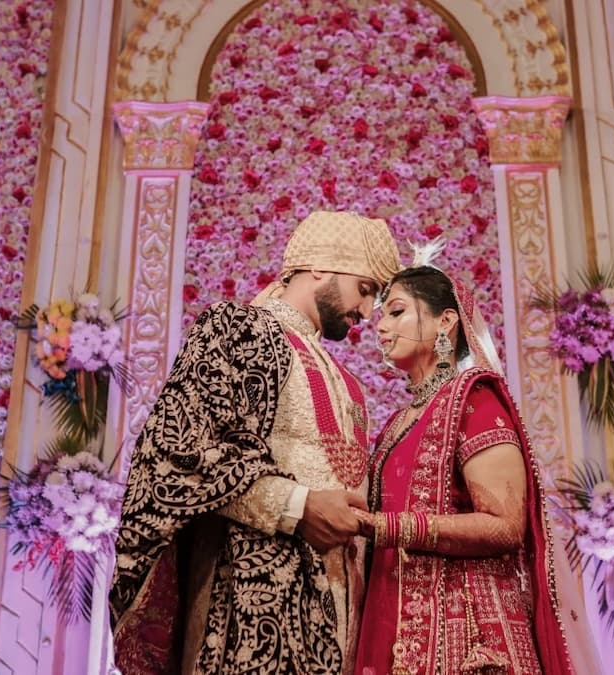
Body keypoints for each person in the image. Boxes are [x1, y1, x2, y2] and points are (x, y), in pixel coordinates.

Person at [109, 211, 401, 674]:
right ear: (319, 266)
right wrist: (297, 506)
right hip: (249, 609)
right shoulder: (239, 327)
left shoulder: (347, 381)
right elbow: (175, 450)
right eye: (364, 289)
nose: (367, 313)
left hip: (340, 623)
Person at [353, 262, 574, 675]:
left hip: (469, 635)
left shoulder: (475, 400)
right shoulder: (397, 423)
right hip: (392, 624)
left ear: (446, 322)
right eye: (381, 315)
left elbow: (505, 526)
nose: (381, 326)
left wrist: (386, 527)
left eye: (397, 311)